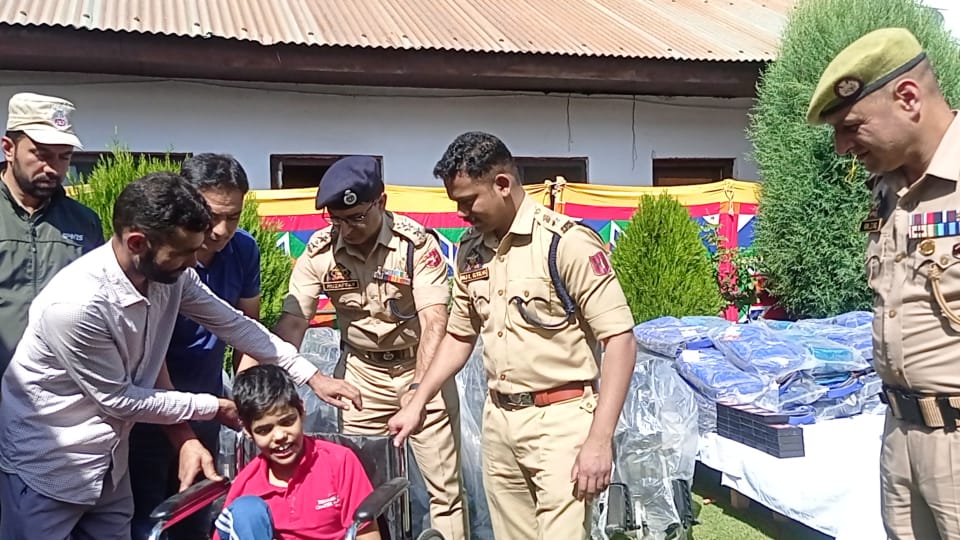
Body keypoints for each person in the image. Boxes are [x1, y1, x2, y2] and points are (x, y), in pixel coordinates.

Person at [0, 172, 360, 540]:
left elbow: (234, 324)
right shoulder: (77, 306)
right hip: (47, 468)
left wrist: (312, 376)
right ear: (138, 242)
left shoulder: (169, 278)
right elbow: (118, 399)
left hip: (108, 464)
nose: (194, 262)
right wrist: (214, 407)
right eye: (184, 252)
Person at [388, 131, 638, 540]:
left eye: (468, 201)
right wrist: (418, 400)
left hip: (562, 421)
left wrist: (599, 439)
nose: (462, 214)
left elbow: (621, 341)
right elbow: (458, 336)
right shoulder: (470, 250)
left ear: (503, 185)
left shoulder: (565, 244)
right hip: (500, 421)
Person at [807, 27, 960, 540]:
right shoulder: (888, 190)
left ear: (908, 98)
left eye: (851, 126)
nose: (841, 146)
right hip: (899, 432)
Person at [273, 156, 468, 540]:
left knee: (444, 490)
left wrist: (418, 393)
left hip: (420, 368)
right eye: (337, 220)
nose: (347, 229)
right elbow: (294, 320)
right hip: (362, 376)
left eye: (357, 217)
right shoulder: (319, 252)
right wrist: (275, 387)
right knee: (363, 488)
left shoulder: (415, 245)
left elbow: (434, 323)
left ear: (381, 201)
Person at [129, 154, 263, 539]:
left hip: (209, 407)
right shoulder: (162, 258)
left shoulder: (244, 250)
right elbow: (150, 352)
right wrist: (181, 431)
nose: (221, 231)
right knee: (147, 521)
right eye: (211, 215)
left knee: (195, 517)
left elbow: (247, 329)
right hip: (149, 410)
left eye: (233, 216)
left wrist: (246, 395)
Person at [0, 91, 103, 377]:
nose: (53, 168)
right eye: (41, 154)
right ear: (9, 148)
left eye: (64, 157)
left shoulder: (85, 223)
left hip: (55, 395)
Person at [213, 364, 380, 540]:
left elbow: (367, 532)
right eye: (264, 430)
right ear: (247, 431)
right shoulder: (246, 485)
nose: (279, 436)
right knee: (246, 511)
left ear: (302, 410)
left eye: (287, 422)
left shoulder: (339, 462)